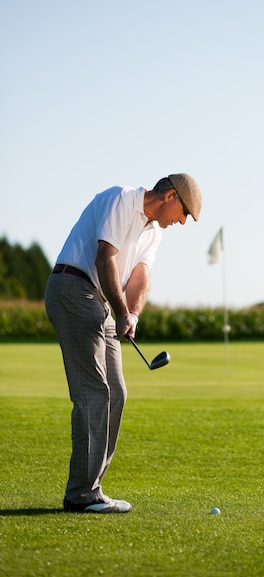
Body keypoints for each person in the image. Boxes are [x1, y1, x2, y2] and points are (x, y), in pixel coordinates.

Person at [44, 173, 202, 514]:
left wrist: (133, 314)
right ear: (170, 196)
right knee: (94, 391)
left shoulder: (154, 232)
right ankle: (81, 494)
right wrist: (120, 311)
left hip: (100, 301)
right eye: (183, 212)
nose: (181, 221)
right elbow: (105, 259)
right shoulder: (122, 199)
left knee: (117, 391)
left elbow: (140, 276)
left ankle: (92, 487)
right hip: (73, 288)